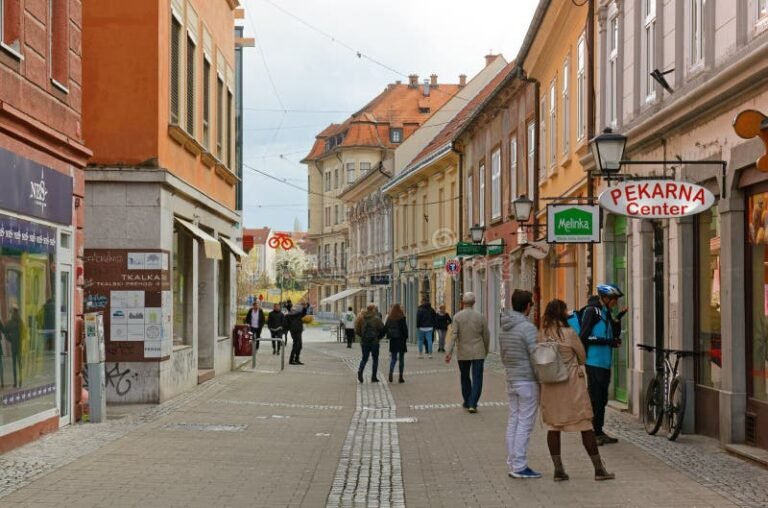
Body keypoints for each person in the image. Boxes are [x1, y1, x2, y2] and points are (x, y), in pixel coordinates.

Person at [539, 299, 615, 482]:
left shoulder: (542, 334)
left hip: (550, 386)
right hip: (571, 385)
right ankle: (598, 469)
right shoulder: (569, 333)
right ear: (562, 313)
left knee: (553, 427)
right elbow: (582, 356)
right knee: (585, 425)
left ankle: (558, 470)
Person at [500, 290, 541, 479]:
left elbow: (503, 354)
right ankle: (519, 465)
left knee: (514, 420)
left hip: (511, 378)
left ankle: (512, 460)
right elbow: (536, 356)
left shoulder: (504, 327)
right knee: (525, 423)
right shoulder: (527, 328)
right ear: (527, 306)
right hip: (527, 380)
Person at [579, 284, 628, 445]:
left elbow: (612, 333)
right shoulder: (591, 312)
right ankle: (592, 433)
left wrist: (619, 317)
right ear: (605, 298)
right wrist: (607, 341)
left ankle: (599, 431)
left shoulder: (606, 313)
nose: (615, 302)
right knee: (595, 399)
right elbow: (584, 337)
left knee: (602, 400)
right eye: (614, 299)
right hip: (594, 362)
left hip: (605, 363)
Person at [445, 292, 489, 413]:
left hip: (463, 352)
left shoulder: (457, 317)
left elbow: (453, 336)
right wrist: (486, 349)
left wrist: (449, 352)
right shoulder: (480, 316)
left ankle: (467, 400)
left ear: (463, 302)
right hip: (478, 350)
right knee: (477, 378)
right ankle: (473, 403)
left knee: (464, 377)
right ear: (474, 302)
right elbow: (486, 335)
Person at [355, 304, 385, 383]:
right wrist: (379, 337)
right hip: (374, 342)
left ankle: (360, 371)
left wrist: (362, 337)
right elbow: (383, 330)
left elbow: (357, 330)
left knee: (364, 358)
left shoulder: (361, 318)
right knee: (375, 359)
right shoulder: (377, 319)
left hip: (364, 342)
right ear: (373, 310)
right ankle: (374, 377)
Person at [385, 303, 409, 384]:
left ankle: (391, 372)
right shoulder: (402, 318)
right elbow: (405, 329)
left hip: (393, 340)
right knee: (401, 359)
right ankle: (400, 377)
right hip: (401, 340)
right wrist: (406, 337)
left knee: (393, 358)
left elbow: (386, 328)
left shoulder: (389, 318)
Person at [5, 306, 24, 388]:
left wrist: (10, 339)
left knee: (14, 364)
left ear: (13, 312)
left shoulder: (10, 322)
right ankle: (20, 381)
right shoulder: (20, 322)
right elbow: (24, 332)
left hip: (14, 346)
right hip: (19, 345)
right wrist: (19, 339)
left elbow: (5, 332)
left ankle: (15, 382)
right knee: (19, 364)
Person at [285, 300, 308, 365]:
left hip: (298, 330)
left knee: (299, 345)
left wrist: (304, 307)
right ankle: (291, 360)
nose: (294, 309)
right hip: (295, 331)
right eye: (292, 308)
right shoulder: (290, 315)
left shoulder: (297, 314)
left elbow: (303, 312)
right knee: (296, 345)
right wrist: (304, 307)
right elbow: (303, 312)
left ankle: (296, 359)